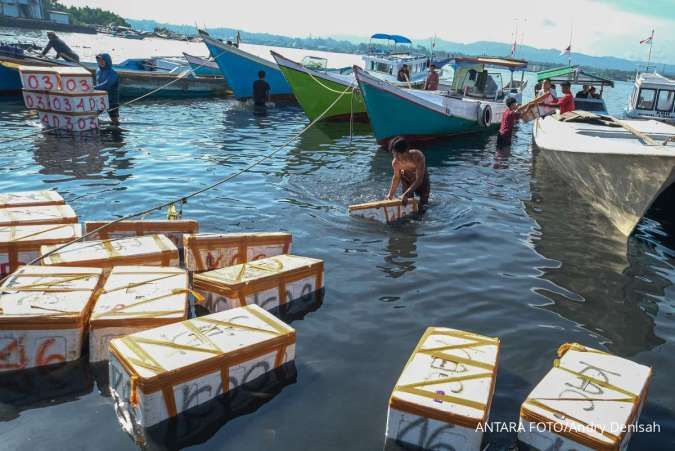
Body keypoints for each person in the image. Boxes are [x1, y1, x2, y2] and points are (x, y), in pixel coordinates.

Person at [386, 137, 430, 208]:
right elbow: (396, 177)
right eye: (394, 154)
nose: (396, 158)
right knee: (406, 203)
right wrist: (390, 194)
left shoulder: (417, 156)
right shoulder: (395, 163)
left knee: (423, 203)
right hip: (406, 179)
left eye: (398, 154)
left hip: (421, 179)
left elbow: (419, 180)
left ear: (406, 151)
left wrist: (405, 194)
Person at [95, 54, 119, 125]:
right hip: (100, 98)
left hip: (112, 100)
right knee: (92, 115)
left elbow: (107, 84)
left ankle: (116, 127)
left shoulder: (113, 73)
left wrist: (93, 88)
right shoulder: (98, 71)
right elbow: (97, 82)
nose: (100, 62)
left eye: (102, 60)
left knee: (114, 120)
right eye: (99, 60)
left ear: (107, 61)